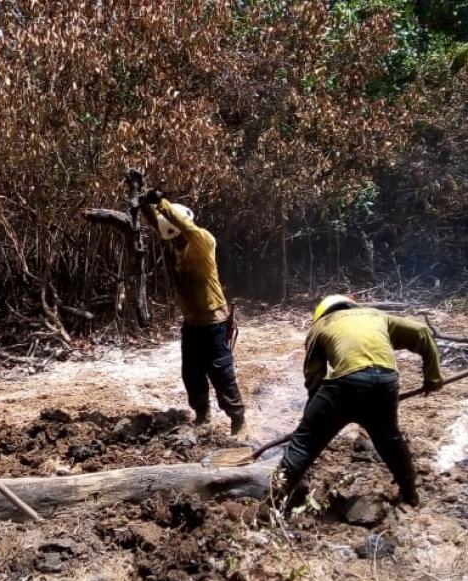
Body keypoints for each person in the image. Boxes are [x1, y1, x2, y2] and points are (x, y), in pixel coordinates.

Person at [274, 295, 443, 508]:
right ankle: (410, 495)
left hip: (346, 384)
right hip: (386, 381)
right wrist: (433, 377)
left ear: (322, 314)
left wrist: (311, 421)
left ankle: (271, 503)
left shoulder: (320, 327)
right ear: (351, 306)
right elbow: (422, 332)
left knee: (303, 445)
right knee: (389, 439)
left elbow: (314, 379)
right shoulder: (376, 316)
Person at [139, 189, 248, 437]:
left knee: (221, 372)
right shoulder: (178, 245)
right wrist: (146, 206)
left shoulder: (203, 242)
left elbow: (182, 228)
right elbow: (162, 227)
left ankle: (238, 420)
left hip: (213, 322)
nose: (174, 242)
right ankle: (202, 414)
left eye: (176, 237)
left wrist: (162, 203)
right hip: (192, 323)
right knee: (191, 372)